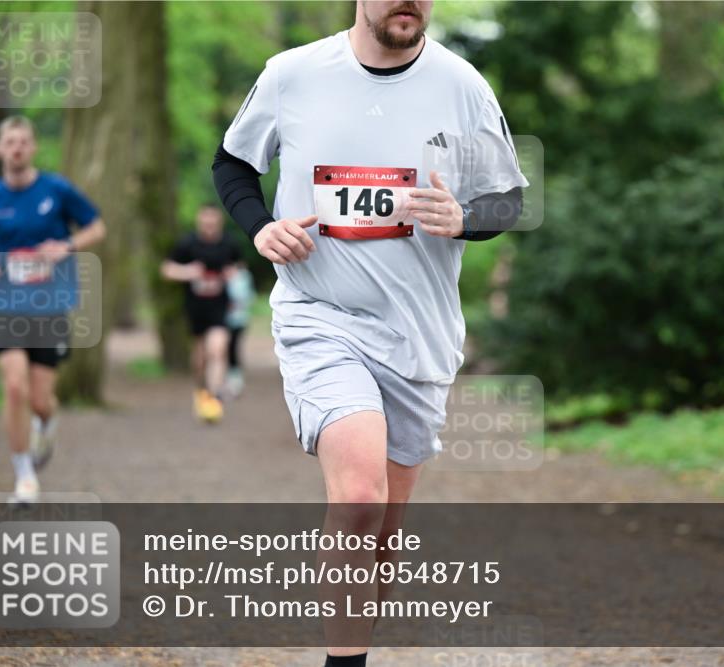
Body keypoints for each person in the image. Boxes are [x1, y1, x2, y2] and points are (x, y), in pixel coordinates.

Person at [212, 2, 525, 664]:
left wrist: (464, 217)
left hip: (418, 334)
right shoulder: (292, 75)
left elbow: (509, 199)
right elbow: (233, 166)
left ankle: (352, 645)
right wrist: (260, 228)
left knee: (381, 528)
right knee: (357, 498)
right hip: (320, 315)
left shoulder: (462, 85)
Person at [0, 115, 106, 505]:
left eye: (24, 141)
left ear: (34, 147)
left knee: (40, 399)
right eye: (10, 142)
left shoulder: (56, 190)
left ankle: (47, 420)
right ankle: (24, 478)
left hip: (49, 304)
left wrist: (67, 246)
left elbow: (97, 227)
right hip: (6, 305)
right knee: (14, 387)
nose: (17, 148)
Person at [161, 204, 241, 423]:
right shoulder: (187, 244)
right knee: (200, 358)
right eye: (205, 221)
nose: (209, 225)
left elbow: (238, 268)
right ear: (199, 221)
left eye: (213, 221)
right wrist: (187, 272)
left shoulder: (229, 244)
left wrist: (231, 275)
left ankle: (214, 398)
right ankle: (202, 390)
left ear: (219, 222)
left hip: (220, 307)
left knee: (218, 349)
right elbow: (167, 270)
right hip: (195, 308)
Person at [224, 262, 254, 398]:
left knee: (232, 348)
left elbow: (246, 296)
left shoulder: (243, 276)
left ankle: (235, 380)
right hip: (223, 319)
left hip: (238, 319)